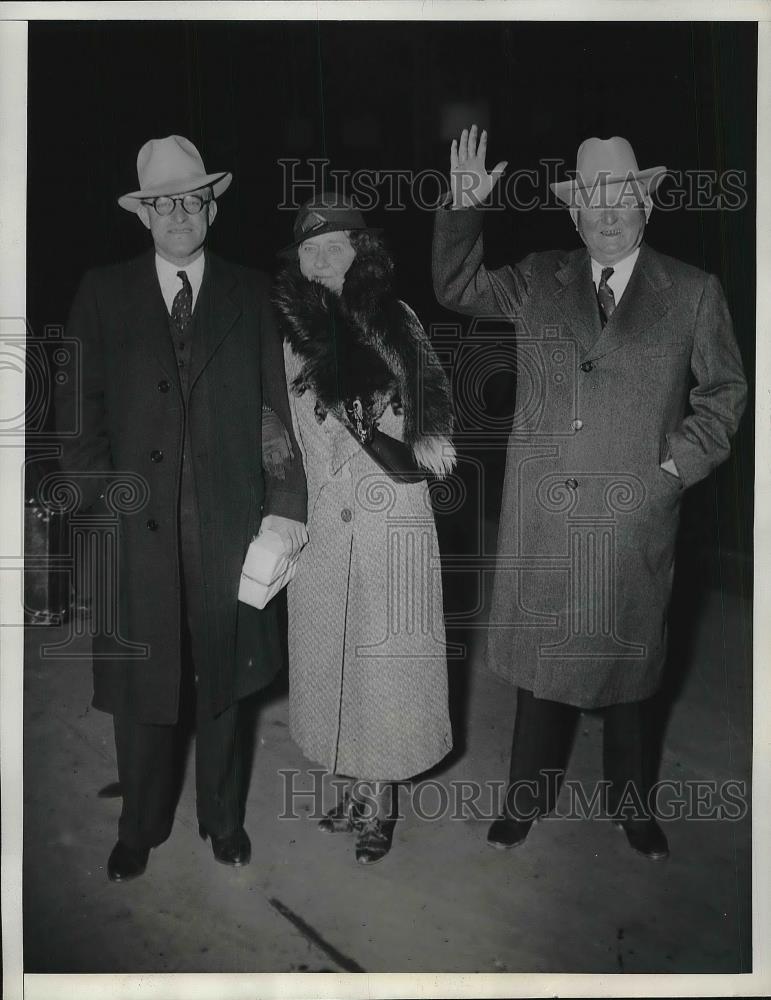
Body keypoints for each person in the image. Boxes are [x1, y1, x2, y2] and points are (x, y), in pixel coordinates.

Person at [432, 127, 747, 860]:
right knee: (542, 670)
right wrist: (462, 207)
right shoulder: (540, 277)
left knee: (632, 672)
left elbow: (726, 393)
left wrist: (672, 470)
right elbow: (454, 286)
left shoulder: (692, 292)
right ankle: (524, 797)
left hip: (633, 514)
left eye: (623, 197)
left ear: (646, 205)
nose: (608, 213)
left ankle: (630, 805)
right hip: (545, 518)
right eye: (593, 200)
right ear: (574, 216)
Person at [55, 135, 308, 882]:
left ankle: (222, 819)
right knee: (144, 684)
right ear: (144, 216)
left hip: (228, 524)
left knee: (225, 680)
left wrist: (285, 506)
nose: (178, 215)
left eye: (190, 200)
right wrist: (105, 504)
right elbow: (77, 415)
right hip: (137, 529)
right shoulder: (103, 292)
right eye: (162, 203)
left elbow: (278, 412)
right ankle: (140, 825)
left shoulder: (252, 290)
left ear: (211, 207)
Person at [271, 195, 456, 865]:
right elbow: (275, 421)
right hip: (322, 524)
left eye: (335, 246)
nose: (321, 259)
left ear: (361, 251)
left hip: (389, 522)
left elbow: (436, 424)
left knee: (386, 668)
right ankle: (346, 785)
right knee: (332, 664)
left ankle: (380, 803)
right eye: (309, 251)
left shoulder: (395, 320)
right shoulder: (288, 333)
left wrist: (384, 420)